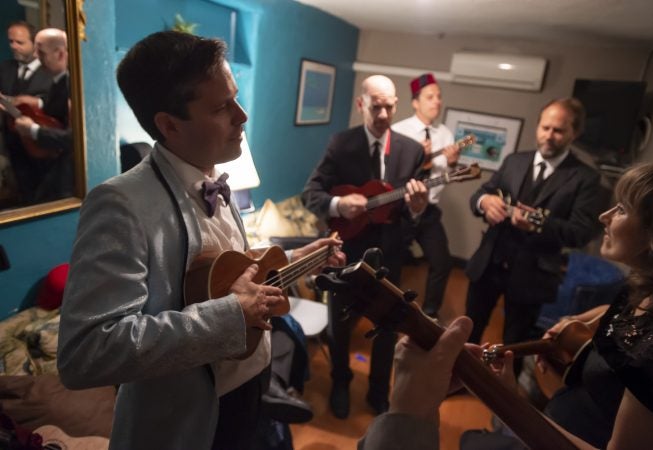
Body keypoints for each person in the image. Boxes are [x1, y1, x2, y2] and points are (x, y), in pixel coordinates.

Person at [57, 31, 344, 450]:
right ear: (170, 124)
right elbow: (86, 352)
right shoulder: (120, 203)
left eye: (236, 98)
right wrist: (229, 316)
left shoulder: (215, 178)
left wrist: (300, 259)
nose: (243, 116)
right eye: (222, 107)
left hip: (253, 391)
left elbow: (228, 274)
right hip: (191, 423)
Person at [360, 161, 653, 450]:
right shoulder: (637, 287)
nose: (604, 216)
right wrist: (576, 321)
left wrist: (509, 402)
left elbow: (579, 231)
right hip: (492, 273)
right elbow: (614, 315)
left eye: (620, 209)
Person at [302, 75, 429, 418]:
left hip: (390, 253)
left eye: (389, 106)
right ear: (361, 105)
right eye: (376, 106)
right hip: (345, 249)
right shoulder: (340, 144)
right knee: (339, 326)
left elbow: (412, 214)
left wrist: (417, 207)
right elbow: (310, 194)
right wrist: (338, 206)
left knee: (388, 325)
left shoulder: (412, 150)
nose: (384, 114)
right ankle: (340, 382)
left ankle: (378, 392)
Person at [464, 98, 608, 358]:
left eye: (558, 130)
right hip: (489, 264)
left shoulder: (586, 177)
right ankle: (458, 378)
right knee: (468, 331)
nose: (549, 136)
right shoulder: (514, 160)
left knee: (516, 345)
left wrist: (539, 223)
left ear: (575, 133)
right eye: (545, 127)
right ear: (538, 127)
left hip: (533, 275)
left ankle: (502, 394)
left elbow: (581, 232)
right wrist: (485, 202)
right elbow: (480, 194)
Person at [392, 73, 458, 318]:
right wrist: (419, 160)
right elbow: (391, 175)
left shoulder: (445, 135)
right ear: (415, 102)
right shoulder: (398, 132)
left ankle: (429, 314)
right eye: (430, 97)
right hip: (400, 209)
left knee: (442, 262)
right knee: (392, 263)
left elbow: (446, 177)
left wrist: (451, 164)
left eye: (439, 97)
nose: (437, 101)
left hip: (428, 210)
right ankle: (389, 309)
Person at [8, 28, 73, 203]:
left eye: (41, 52)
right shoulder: (58, 83)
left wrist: (33, 130)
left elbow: (73, 138)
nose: (36, 56)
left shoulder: (72, 86)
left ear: (60, 54)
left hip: (67, 175)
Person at [0, 21, 52, 99]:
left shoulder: (53, 72)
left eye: (19, 42)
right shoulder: (4, 68)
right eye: (11, 41)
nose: (13, 46)